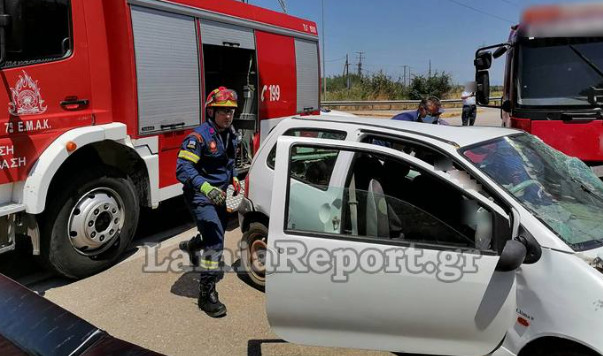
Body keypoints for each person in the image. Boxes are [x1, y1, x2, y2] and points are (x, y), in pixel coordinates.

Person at [176, 86, 241, 318]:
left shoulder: (230, 133)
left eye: (231, 111)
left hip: (221, 195)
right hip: (200, 196)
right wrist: (205, 187)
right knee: (215, 241)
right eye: (223, 111)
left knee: (215, 236)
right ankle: (206, 293)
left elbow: (228, 161)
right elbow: (183, 169)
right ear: (211, 112)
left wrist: (233, 178)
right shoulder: (199, 137)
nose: (228, 115)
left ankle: (194, 245)